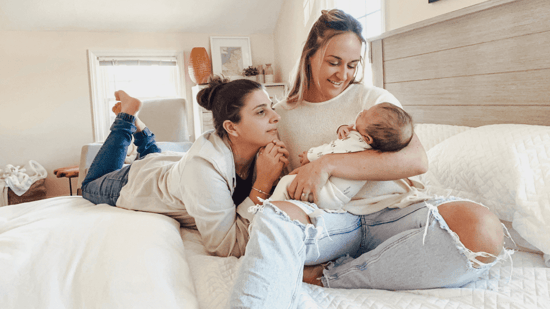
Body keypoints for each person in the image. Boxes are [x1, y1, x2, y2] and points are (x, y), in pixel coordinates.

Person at [227, 9, 506, 309]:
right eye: (333, 62)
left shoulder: (372, 100)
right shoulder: (280, 116)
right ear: (310, 54)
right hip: (331, 222)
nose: (343, 74)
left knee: (484, 230)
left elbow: (417, 160)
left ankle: (332, 277)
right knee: (274, 219)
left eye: (352, 65)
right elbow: (276, 183)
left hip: (392, 213)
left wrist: (327, 163)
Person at [81, 76, 289, 257]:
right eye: (261, 112)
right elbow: (225, 246)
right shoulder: (204, 170)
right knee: (89, 186)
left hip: (168, 166)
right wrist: (263, 182)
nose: (276, 116)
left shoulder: (260, 149)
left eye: (271, 106)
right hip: (136, 181)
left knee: (152, 156)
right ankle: (127, 116)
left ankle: (139, 128)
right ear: (231, 127)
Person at [270, 102, 419, 211]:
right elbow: (348, 139)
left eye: (365, 115)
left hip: (330, 194)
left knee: (285, 183)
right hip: (339, 198)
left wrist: (309, 155)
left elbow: (333, 149)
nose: (363, 110)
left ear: (367, 138)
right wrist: (343, 128)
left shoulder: (356, 142)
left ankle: (267, 210)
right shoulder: (371, 145)